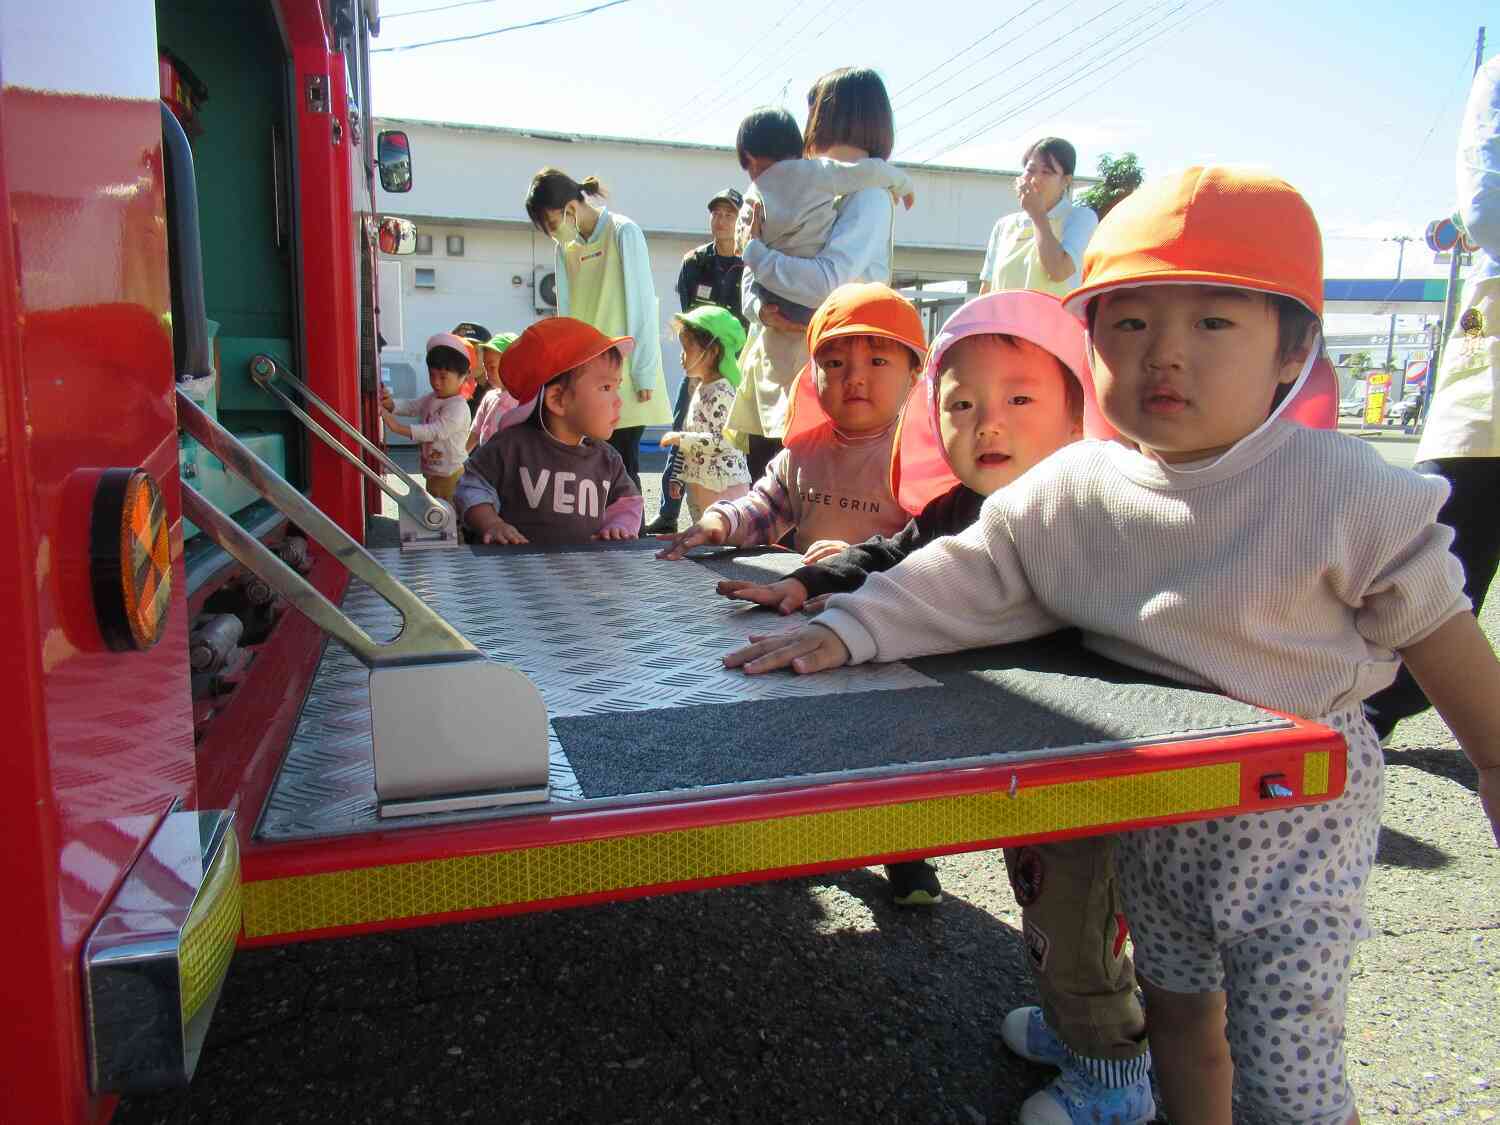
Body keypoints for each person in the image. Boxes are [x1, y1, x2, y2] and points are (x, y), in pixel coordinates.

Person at [723, 166, 1500, 1125]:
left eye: (1213, 323)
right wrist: (848, 627)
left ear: (1292, 346)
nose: (1164, 356)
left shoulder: (1337, 489)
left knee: (1286, 1060)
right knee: (1175, 1015)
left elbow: (1437, 628)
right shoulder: (1079, 487)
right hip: (1154, 808)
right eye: (1130, 325)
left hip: (1297, 819)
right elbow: (970, 572)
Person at [721, 291, 1155, 1120]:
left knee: (1082, 906)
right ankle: (1079, 1027)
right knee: (1043, 896)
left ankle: (1113, 1076)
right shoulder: (959, 509)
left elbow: (954, 592)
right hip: (1019, 741)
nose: (987, 423)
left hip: (1091, 754)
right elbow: (895, 554)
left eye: (1019, 400)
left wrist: (851, 627)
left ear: (1076, 418)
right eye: (961, 404)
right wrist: (808, 582)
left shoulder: (1083, 508)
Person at [1365, 54, 1500, 740]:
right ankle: (1368, 705)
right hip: (1492, 383)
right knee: (1439, 558)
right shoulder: (1498, 75)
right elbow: (1488, 211)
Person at [657, 282, 922, 562]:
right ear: (811, 374)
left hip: (882, 598)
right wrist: (722, 522)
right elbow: (764, 509)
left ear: (913, 375)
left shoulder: (918, 460)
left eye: (877, 361)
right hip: (799, 594)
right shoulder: (802, 453)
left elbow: (933, 549)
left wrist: (861, 559)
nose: (854, 377)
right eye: (834, 363)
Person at [728, 67, 902, 484]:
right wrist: (761, 308)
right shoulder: (796, 181)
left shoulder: (869, 194)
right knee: (767, 501)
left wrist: (755, 254)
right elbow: (748, 273)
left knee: (808, 508)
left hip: (825, 379)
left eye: (814, 112)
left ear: (836, 116)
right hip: (772, 372)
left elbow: (827, 282)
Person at [524, 169, 670, 495]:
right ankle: (605, 537)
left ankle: (631, 540)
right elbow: (567, 316)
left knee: (621, 462)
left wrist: (644, 372)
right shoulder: (566, 249)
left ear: (570, 209)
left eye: (552, 224)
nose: (553, 234)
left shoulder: (623, 232)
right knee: (591, 463)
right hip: (586, 373)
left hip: (628, 372)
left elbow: (643, 305)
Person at [454, 318, 643, 546]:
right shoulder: (510, 447)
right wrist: (491, 524)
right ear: (557, 399)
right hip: (515, 572)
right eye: (606, 388)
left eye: (617, 387)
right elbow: (471, 487)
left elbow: (628, 502)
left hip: (583, 575)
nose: (618, 401)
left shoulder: (608, 460)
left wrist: (619, 526)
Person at [734, 106, 915, 325]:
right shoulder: (818, 173)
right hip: (808, 315)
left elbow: (744, 248)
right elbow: (870, 171)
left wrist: (757, 302)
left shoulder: (754, 194)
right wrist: (903, 184)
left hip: (780, 307)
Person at [644, 188, 747, 536]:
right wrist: (694, 360)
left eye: (729, 214)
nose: (721, 220)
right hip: (700, 360)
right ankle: (668, 511)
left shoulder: (750, 264)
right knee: (683, 426)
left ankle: (747, 516)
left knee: (724, 435)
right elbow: (689, 318)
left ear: (740, 219)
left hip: (735, 365)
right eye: (716, 213)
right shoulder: (695, 262)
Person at [658, 306, 751, 521]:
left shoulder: (723, 391)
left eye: (687, 349)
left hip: (723, 487)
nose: (682, 357)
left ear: (713, 350)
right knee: (706, 540)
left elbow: (725, 442)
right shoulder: (699, 387)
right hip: (700, 484)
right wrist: (678, 477)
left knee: (724, 541)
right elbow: (690, 436)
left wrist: (682, 439)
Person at [979, 137, 1098, 297]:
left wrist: (1037, 214)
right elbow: (987, 291)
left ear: (1066, 181)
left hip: (1054, 321)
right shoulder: (1004, 226)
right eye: (1030, 170)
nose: (1035, 179)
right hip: (1005, 322)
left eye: (1047, 172)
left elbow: (1058, 270)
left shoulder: (1081, 218)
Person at [380, 332, 474, 502]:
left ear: (463, 377)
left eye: (443, 377)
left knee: (451, 517)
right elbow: (412, 406)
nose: (436, 382)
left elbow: (435, 431)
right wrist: (390, 404)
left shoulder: (458, 407)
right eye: (432, 375)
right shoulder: (432, 398)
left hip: (451, 475)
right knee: (436, 516)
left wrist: (397, 428)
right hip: (433, 473)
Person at [468, 332, 520, 451]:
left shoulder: (523, 399)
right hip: (486, 462)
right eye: (485, 368)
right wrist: (460, 458)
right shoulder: (489, 397)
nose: (487, 374)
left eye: (492, 367)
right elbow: (475, 432)